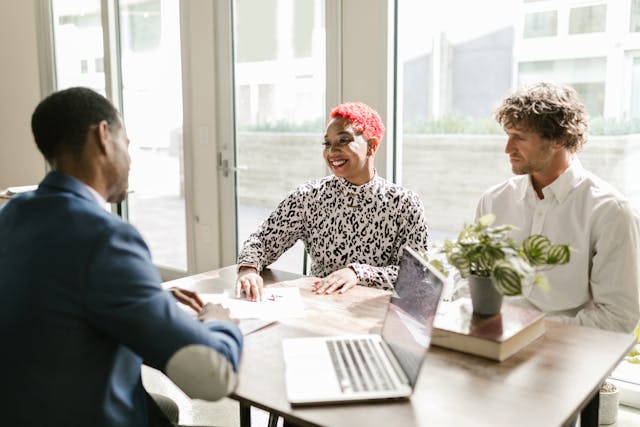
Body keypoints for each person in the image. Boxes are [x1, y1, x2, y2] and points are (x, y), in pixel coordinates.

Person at [0, 87, 243, 426]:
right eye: (127, 145)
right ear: (103, 136)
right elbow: (211, 375)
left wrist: (143, 297)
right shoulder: (105, 236)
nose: (129, 160)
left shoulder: (12, 214)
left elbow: (54, 294)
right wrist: (218, 321)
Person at [476, 82, 640, 333]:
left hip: (567, 357)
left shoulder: (610, 212)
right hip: (491, 345)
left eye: (519, 137)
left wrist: (523, 329)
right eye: (507, 136)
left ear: (560, 140)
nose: (507, 149)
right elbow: (469, 278)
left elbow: (618, 318)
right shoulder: (493, 200)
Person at [235, 102, 429, 301]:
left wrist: (357, 273)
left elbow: (416, 277)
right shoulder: (308, 197)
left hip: (373, 316)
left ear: (372, 146)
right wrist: (248, 269)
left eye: (344, 140)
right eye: (327, 144)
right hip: (318, 308)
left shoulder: (405, 204)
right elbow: (262, 241)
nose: (332, 151)